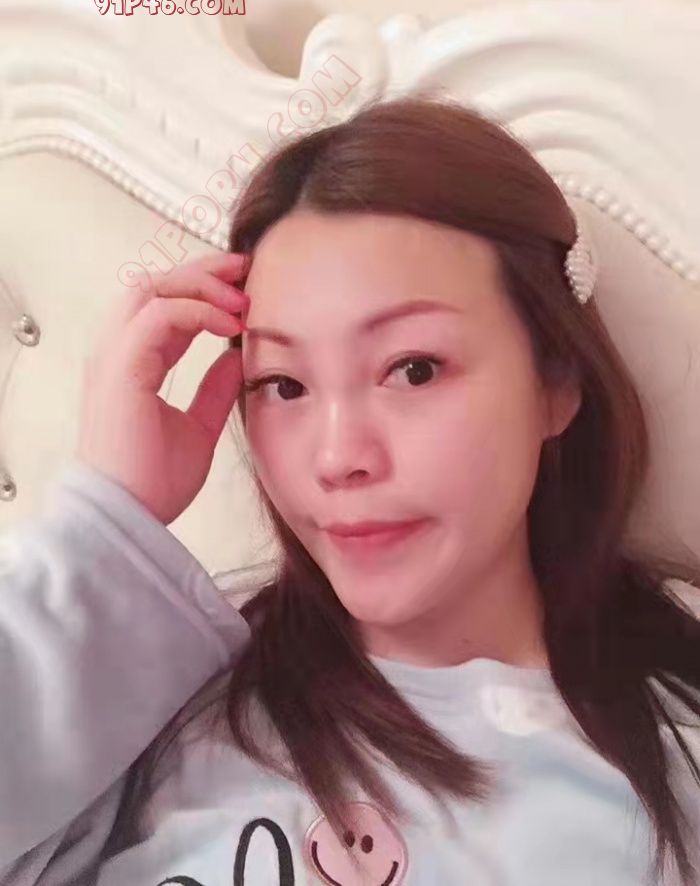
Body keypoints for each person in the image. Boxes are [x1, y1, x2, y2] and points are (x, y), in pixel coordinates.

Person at [1, 94, 699, 886]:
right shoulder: (144, 689)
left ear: (556, 381)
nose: (337, 457)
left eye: (414, 369)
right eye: (284, 384)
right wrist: (109, 521)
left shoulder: (669, 765)